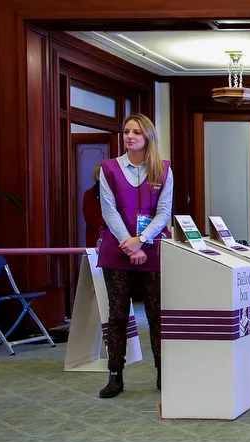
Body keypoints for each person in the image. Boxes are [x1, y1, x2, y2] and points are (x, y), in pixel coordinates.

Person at [95, 114, 173, 398]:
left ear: (148, 137)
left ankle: (163, 372)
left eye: (136, 132)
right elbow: (108, 209)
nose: (130, 136)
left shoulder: (163, 170)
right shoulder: (108, 168)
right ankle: (115, 374)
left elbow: (164, 212)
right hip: (117, 250)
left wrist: (141, 240)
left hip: (151, 248)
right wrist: (128, 244)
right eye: (127, 132)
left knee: (157, 315)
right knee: (117, 315)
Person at [82, 164, 105, 247]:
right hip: (96, 237)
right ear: (97, 176)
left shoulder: (116, 192)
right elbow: (90, 218)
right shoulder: (89, 194)